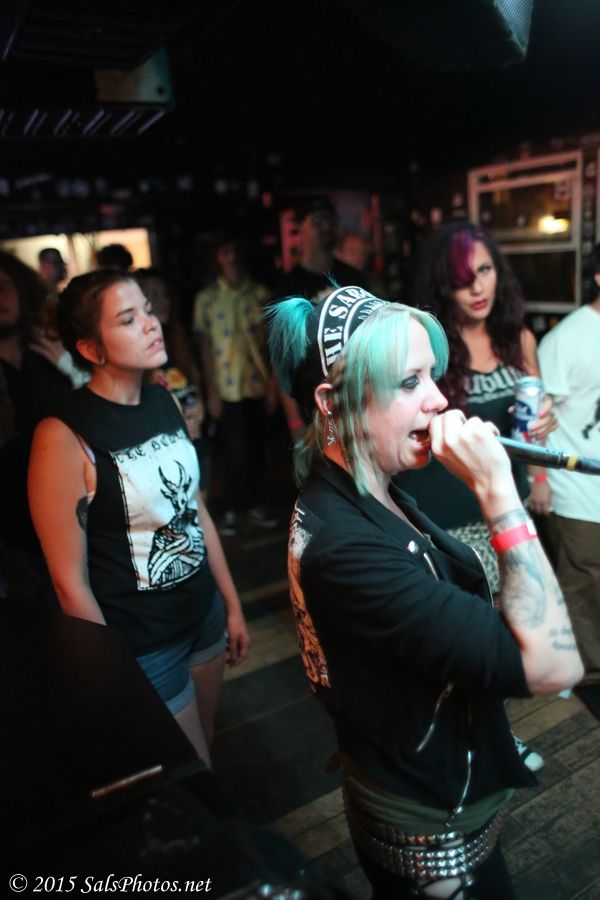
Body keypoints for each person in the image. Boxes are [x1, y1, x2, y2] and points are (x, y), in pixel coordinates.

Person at [267, 284, 583, 900]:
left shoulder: (371, 491)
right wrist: (500, 492)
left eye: (432, 375)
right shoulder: (347, 548)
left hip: (437, 786)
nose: (439, 399)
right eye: (408, 382)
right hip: (431, 831)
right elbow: (557, 666)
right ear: (331, 402)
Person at [27, 270, 249, 766]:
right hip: (144, 643)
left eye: (147, 310)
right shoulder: (62, 435)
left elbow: (195, 508)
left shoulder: (162, 399)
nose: (151, 324)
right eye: (128, 319)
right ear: (91, 349)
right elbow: (69, 584)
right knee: (187, 771)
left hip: (203, 617)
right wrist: (112, 673)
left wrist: (231, 603)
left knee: (207, 745)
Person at [399, 222, 558, 771]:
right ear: (443, 284)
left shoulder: (520, 339)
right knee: (471, 637)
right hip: (444, 512)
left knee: (505, 625)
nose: (477, 287)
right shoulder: (430, 348)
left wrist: (544, 436)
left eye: (485, 270)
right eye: (462, 277)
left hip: (501, 504)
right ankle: (482, 741)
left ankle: (486, 736)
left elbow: (531, 427)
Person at [538, 247, 600, 719]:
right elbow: (537, 419)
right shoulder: (567, 338)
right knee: (582, 579)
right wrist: (539, 478)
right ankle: (589, 675)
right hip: (577, 486)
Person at [192, 233, 277, 537]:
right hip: (226, 388)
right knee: (233, 451)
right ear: (217, 258)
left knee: (257, 448)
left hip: (256, 384)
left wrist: (273, 385)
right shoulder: (208, 299)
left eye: (235, 251)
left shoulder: (260, 294)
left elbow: (271, 345)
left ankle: (256, 503)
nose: (231, 258)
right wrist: (211, 391)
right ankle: (231, 507)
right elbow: (204, 348)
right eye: (225, 252)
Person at [272, 196, 369, 441]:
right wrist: (294, 421)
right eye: (317, 219)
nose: (326, 225)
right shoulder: (288, 288)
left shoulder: (354, 278)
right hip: (311, 409)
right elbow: (282, 360)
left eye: (331, 219)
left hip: (357, 400)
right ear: (300, 230)